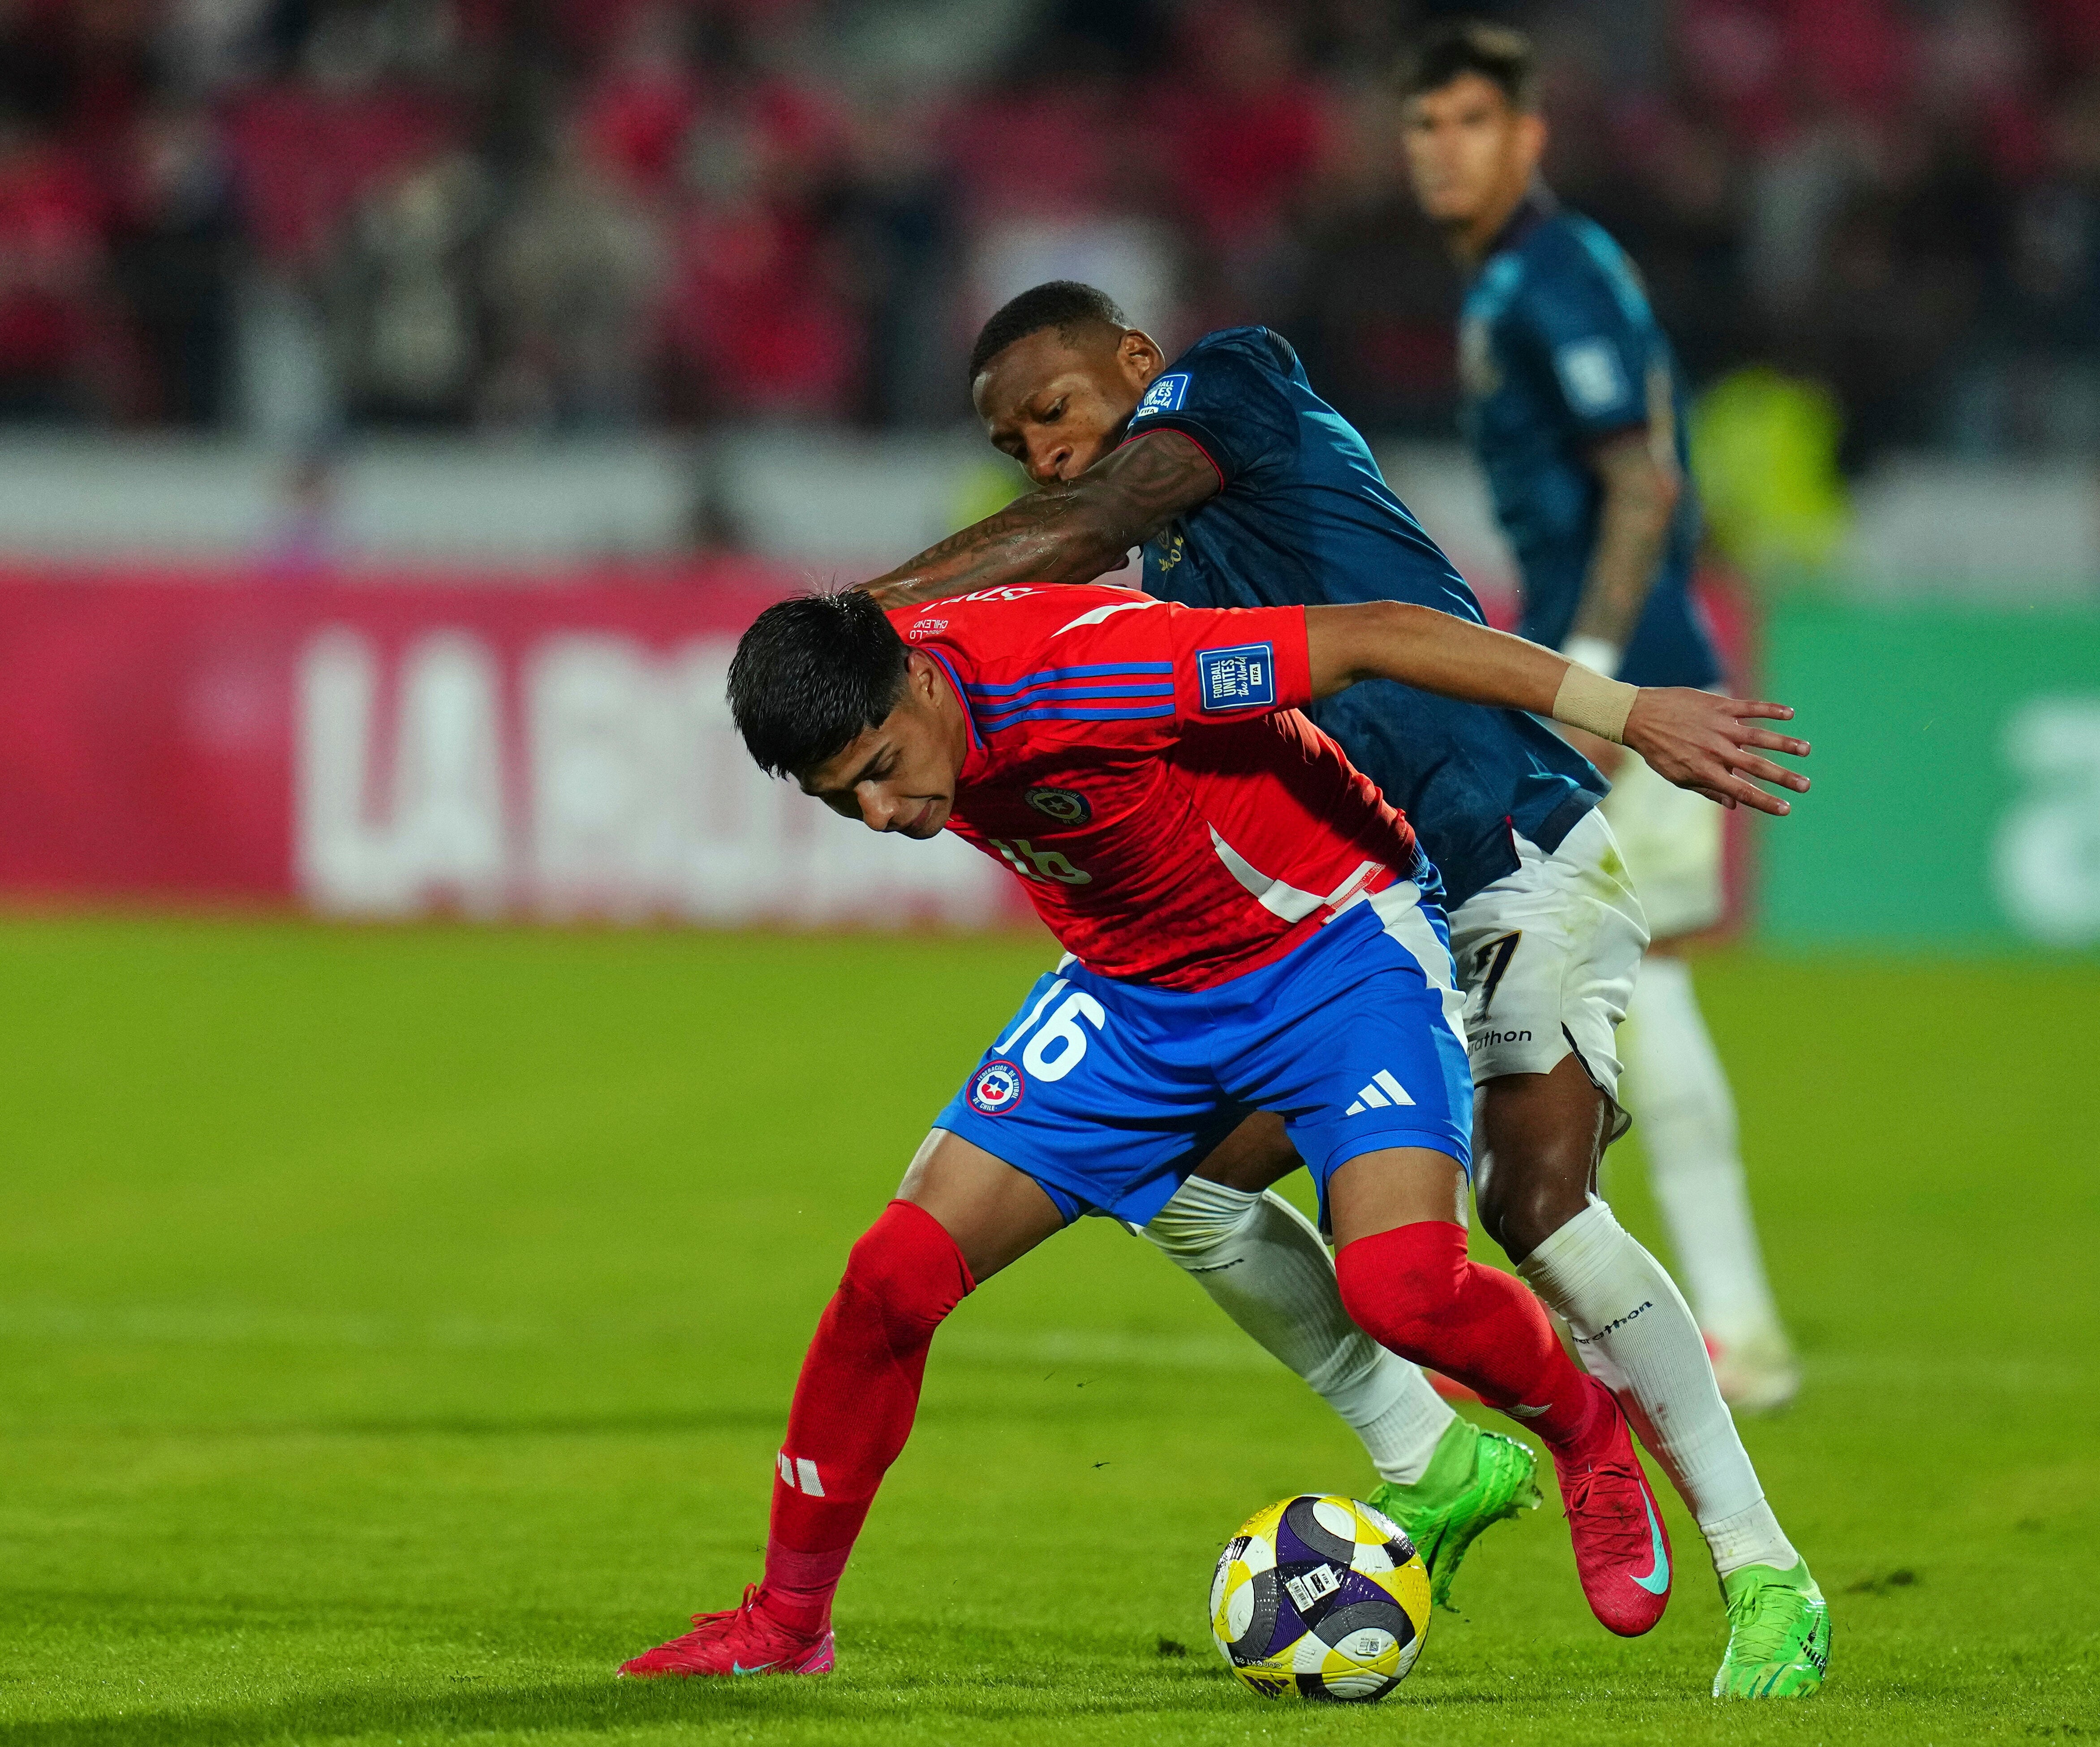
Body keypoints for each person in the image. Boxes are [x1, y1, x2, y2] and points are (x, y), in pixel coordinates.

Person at [856, 279, 1830, 1695]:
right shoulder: (1155, 591)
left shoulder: (1231, 386)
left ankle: (1763, 1570)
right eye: (1016, 447)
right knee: (1173, 1181)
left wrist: (847, 622)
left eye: (1053, 413)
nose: (1045, 455)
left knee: (1535, 1207)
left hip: (1509, 850)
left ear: (1134, 360)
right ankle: (1429, 1457)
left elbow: (1090, 519)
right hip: (1363, 923)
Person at [620, 583, 1828, 1701]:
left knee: (1404, 1290)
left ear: (923, 686)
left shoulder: (1090, 669)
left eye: (883, 770)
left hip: (1333, 953)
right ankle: (787, 1623)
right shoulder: (886, 681)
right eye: (843, 800)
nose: (883, 815)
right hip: (1132, 996)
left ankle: (1582, 1431)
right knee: (891, 1277)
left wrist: (1628, 713)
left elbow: (1372, 636)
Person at [1399, 22, 1801, 1413]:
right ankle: (1681, 1321)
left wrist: (1590, 672)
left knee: (1627, 984)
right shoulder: (1520, 275)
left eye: (1469, 122)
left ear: (1528, 137)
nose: (1442, 150)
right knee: (1590, 986)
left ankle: (1724, 1329)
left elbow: (1643, 482)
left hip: (1630, 680)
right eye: (1423, 126)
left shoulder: (1550, 276)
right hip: (1606, 672)